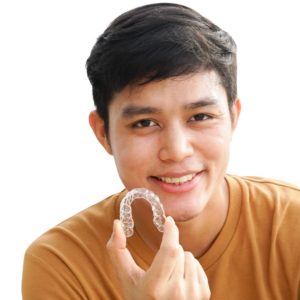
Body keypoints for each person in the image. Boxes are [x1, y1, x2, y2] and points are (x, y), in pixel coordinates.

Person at [22, 3, 300, 299]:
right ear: (103, 133)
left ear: (233, 118)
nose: (177, 151)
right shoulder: (62, 265)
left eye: (200, 117)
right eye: (145, 123)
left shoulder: (292, 228)